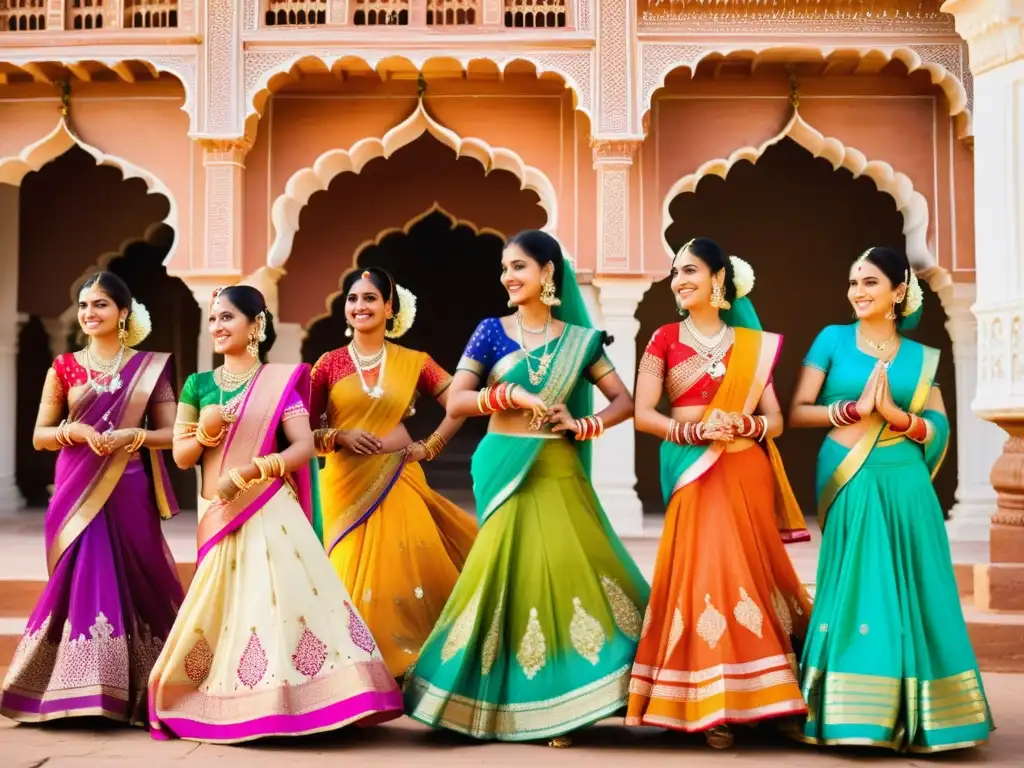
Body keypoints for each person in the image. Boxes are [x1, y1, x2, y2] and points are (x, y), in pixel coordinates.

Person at [403, 230, 649, 746]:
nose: (509, 277)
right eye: (504, 269)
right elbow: (457, 402)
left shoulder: (579, 340)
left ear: (548, 273)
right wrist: (508, 393)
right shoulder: (491, 331)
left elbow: (623, 401)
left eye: (519, 267)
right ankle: (487, 700)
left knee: (570, 568)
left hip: (557, 465)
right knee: (502, 570)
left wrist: (583, 426)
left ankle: (571, 701)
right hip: (503, 463)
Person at [147, 285, 403, 743]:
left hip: (270, 509)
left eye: (227, 317)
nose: (218, 327)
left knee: (283, 603)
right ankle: (235, 700)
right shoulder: (198, 386)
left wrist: (252, 469)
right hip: (221, 512)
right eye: (213, 319)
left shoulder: (279, 381)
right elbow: (183, 457)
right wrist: (205, 431)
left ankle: (310, 700)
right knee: (231, 607)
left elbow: (303, 446)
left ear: (256, 325)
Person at [789, 246, 993, 752]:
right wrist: (854, 410)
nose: (857, 291)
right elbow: (797, 411)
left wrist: (897, 417)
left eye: (870, 283)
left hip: (906, 482)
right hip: (850, 476)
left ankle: (930, 717)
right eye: (854, 282)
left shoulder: (921, 358)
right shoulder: (833, 340)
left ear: (899, 291)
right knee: (862, 581)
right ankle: (854, 714)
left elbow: (940, 426)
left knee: (918, 585)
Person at [624, 238, 812, 748]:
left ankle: (768, 696)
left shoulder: (750, 345)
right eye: (674, 272)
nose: (678, 280)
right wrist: (696, 433)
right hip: (692, 466)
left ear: (718, 280)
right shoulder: (663, 337)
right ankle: (710, 700)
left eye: (690, 270)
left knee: (748, 570)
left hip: (744, 467)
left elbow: (775, 420)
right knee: (705, 571)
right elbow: (644, 414)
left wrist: (744, 424)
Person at [0, 272, 182, 725]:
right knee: (82, 574)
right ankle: (78, 689)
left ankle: (142, 686)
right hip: (75, 485)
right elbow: (40, 435)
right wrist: (73, 430)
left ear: (124, 313)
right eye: (84, 305)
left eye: (100, 304)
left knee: (141, 578)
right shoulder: (63, 367)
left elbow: (173, 433)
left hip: (130, 486)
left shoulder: (149, 368)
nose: (89, 313)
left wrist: (133, 435)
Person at [310, 267, 477, 681]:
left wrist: (432, 444)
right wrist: (338, 435)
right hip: (343, 490)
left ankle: (406, 670)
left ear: (389, 308)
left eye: (369, 298)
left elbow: (462, 401)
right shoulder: (328, 365)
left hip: (399, 482)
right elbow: (299, 433)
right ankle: (352, 676)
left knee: (402, 581)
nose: (359, 306)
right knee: (345, 583)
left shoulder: (414, 362)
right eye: (352, 299)